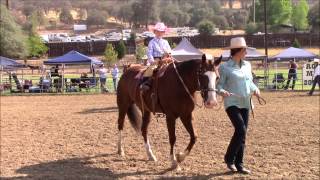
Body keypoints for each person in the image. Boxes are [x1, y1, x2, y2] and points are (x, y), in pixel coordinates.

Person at [217, 37, 261, 174]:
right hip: (232, 103)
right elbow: (218, 86)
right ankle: (229, 158)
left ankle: (239, 164)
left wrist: (256, 89)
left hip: (246, 102)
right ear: (239, 51)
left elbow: (250, 82)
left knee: (242, 134)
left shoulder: (247, 65)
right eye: (245, 50)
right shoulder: (224, 67)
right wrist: (222, 91)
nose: (246, 52)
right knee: (241, 130)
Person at [140, 22, 172, 91]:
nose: (160, 33)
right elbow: (149, 52)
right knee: (152, 68)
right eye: (158, 31)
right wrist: (152, 61)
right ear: (155, 32)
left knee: (174, 66)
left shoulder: (165, 42)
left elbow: (169, 50)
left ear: (163, 32)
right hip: (156, 59)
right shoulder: (152, 42)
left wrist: (168, 53)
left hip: (166, 59)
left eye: (161, 31)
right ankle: (146, 83)